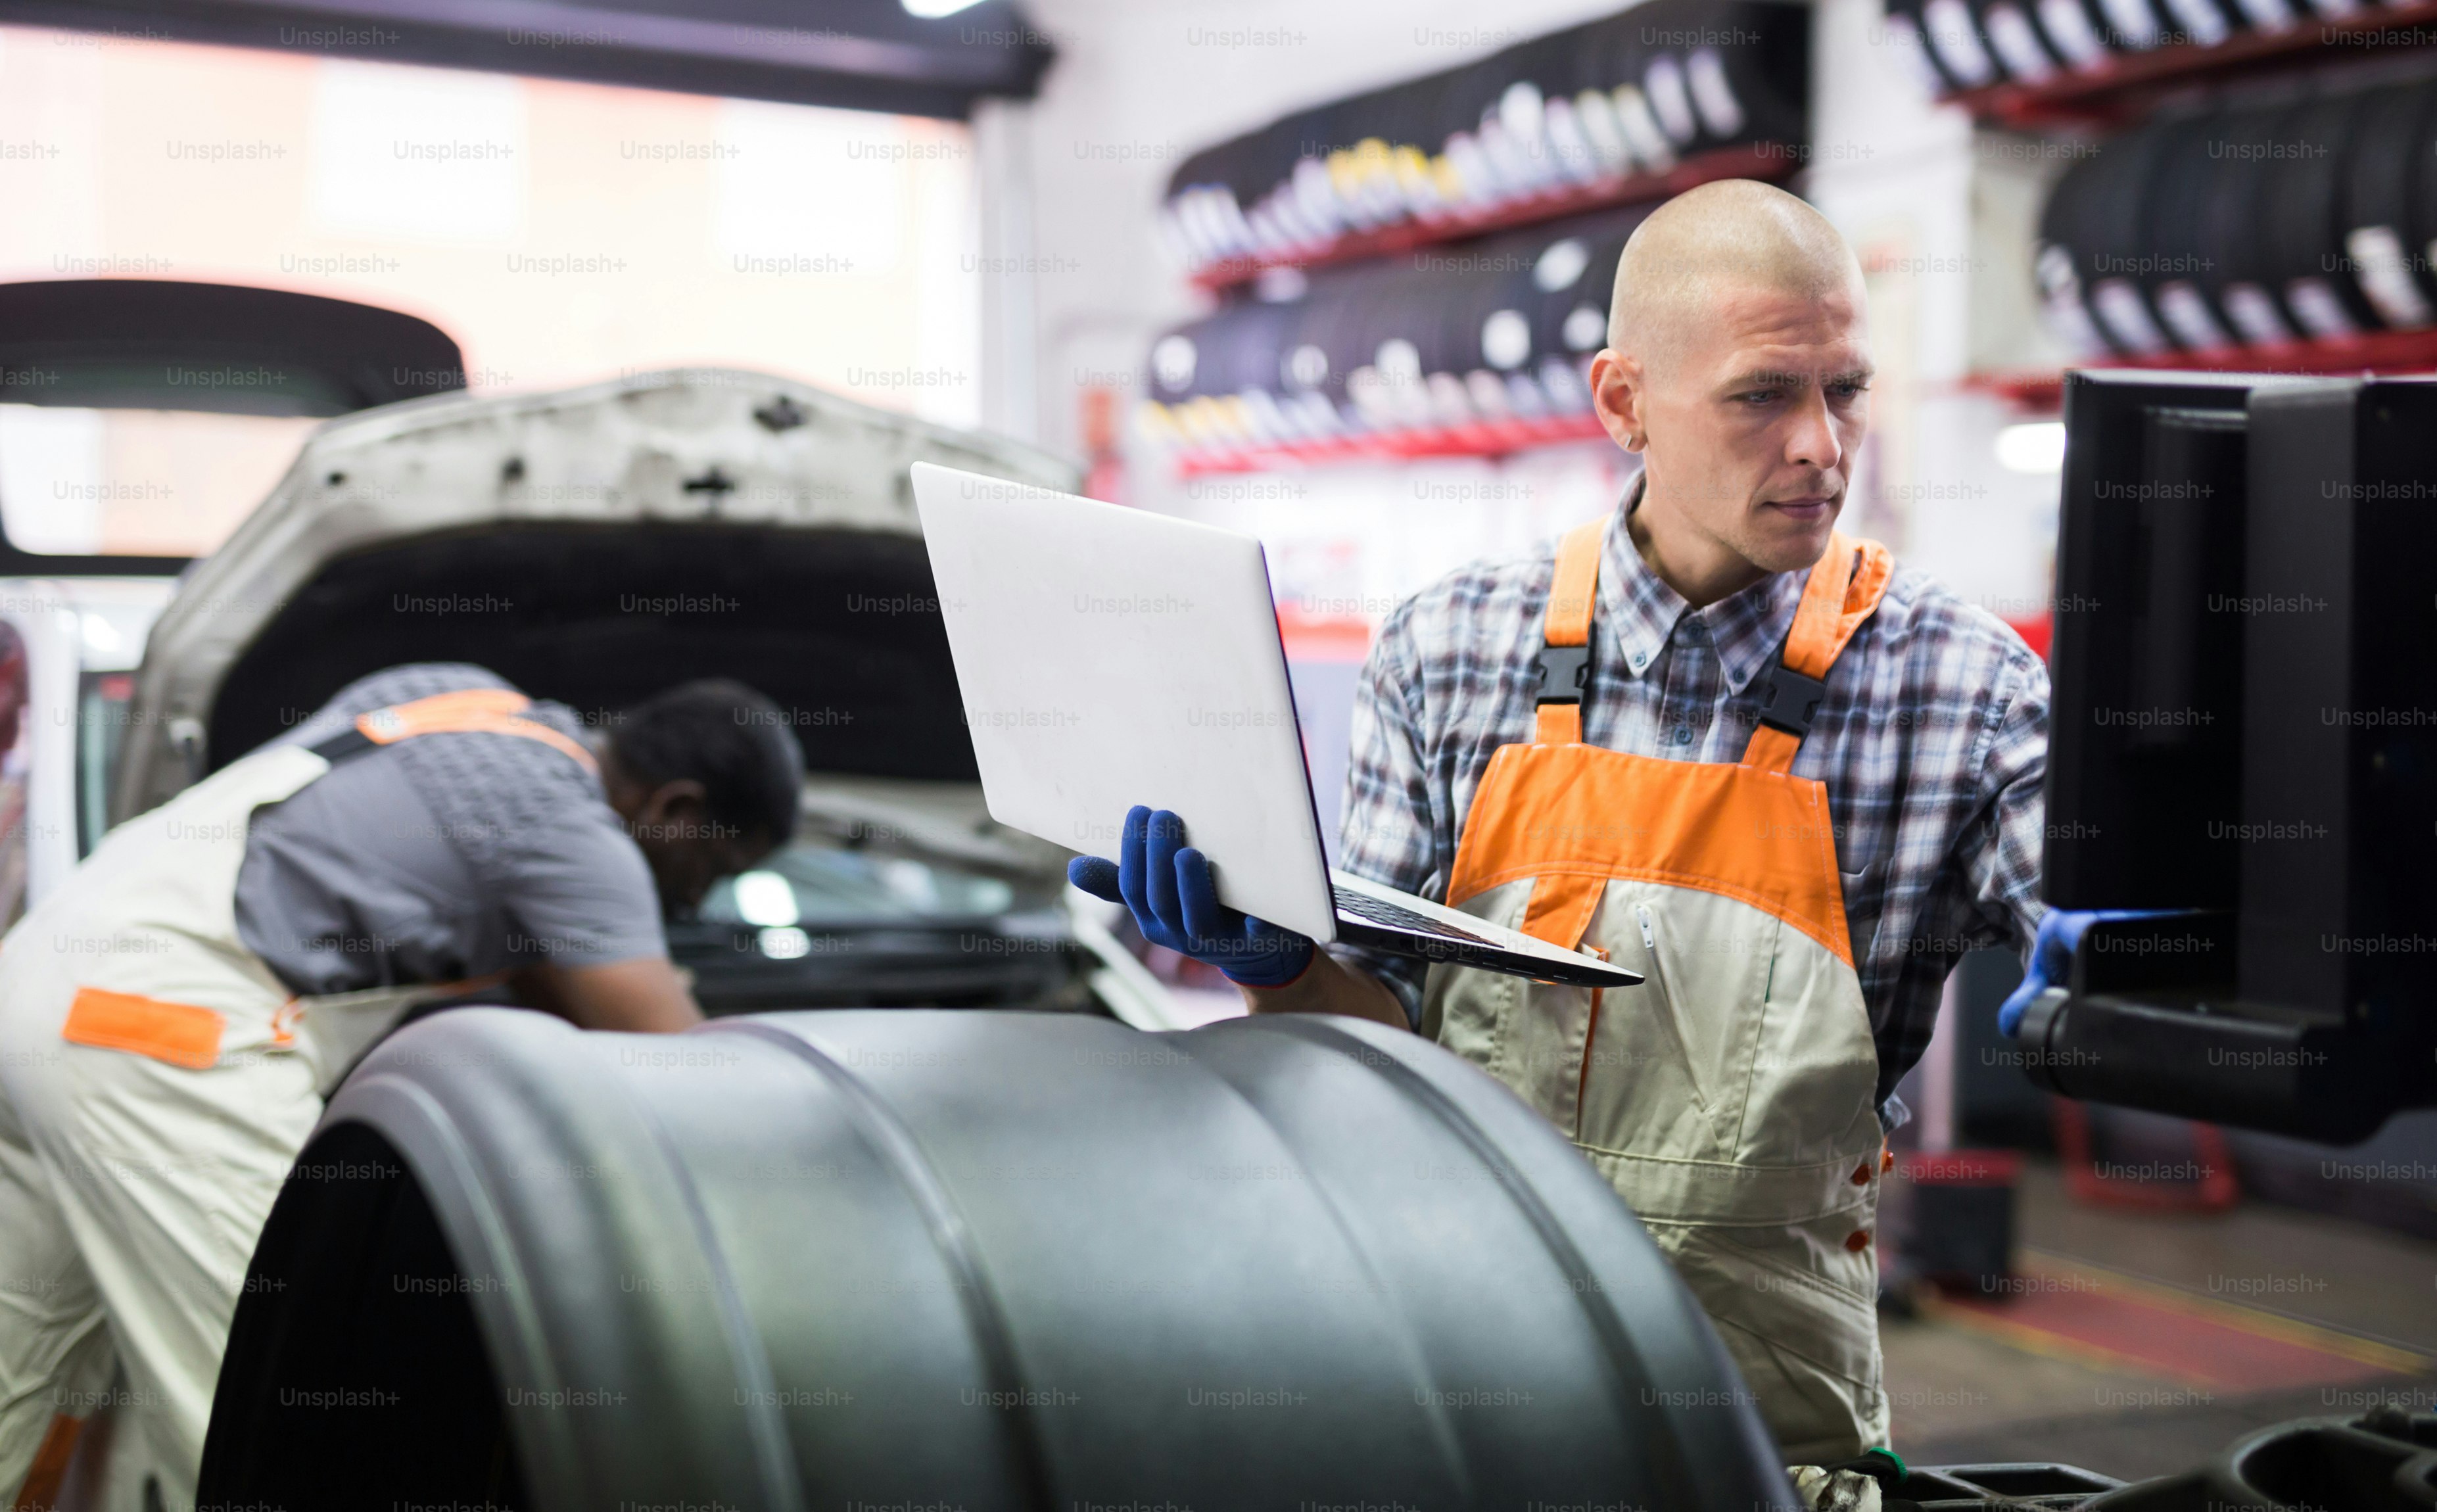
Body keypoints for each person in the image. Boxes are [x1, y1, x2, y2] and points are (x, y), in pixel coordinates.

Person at [1073, 180, 2048, 1465]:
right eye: (1764, 393)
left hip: (1758, 1429)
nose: (1822, 444)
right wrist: (1282, 963)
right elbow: (1381, 1054)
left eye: (1847, 389)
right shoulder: (1445, 647)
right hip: (1455, 1375)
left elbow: (2122, 945)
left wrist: (2135, 959)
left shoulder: (1962, 690)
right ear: (1624, 402)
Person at [0, 662, 802, 1511]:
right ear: (675, 809)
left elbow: (540, 975)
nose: (700, 902)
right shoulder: (570, 831)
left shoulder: (455, 696)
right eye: (714, 868)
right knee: (281, 1398)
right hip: (157, 1038)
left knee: (23, 1361)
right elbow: (681, 1071)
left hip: (38, 988)